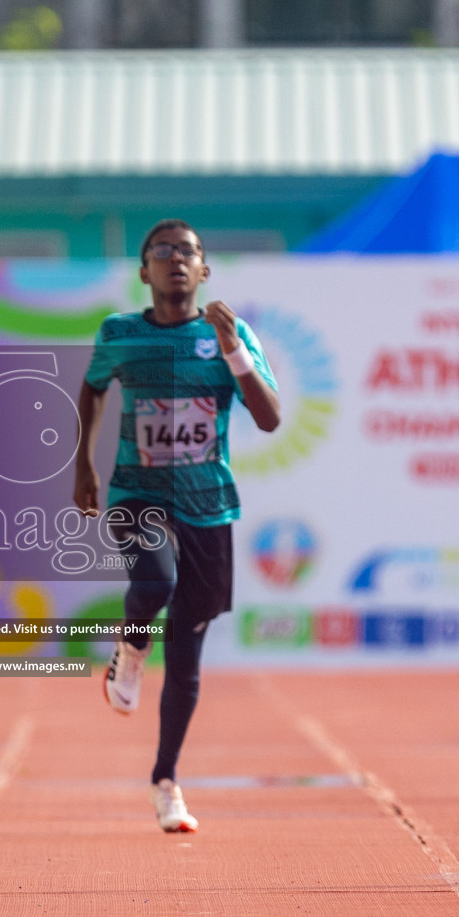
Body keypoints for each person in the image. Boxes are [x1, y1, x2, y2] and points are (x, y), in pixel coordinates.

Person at [73, 219, 280, 833]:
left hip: (208, 504)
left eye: (187, 251)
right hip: (139, 494)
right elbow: (91, 391)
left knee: (188, 655)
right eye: (161, 253)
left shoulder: (229, 334)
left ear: (205, 269)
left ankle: (166, 782)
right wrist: (83, 462)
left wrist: (234, 349)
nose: (175, 261)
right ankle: (132, 650)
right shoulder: (121, 333)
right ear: (144, 272)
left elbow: (268, 418)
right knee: (154, 578)